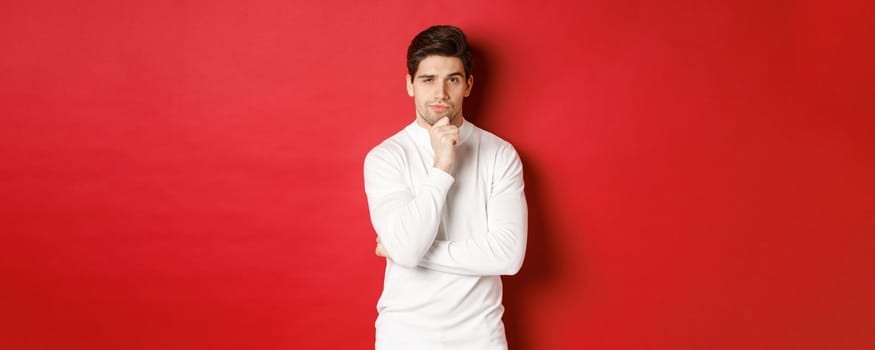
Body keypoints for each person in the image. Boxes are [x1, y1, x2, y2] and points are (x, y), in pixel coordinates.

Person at [363, 25, 528, 350]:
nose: (440, 92)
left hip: (481, 337)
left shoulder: (500, 154)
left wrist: (407, 251)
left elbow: (508, 257)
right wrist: (441, 167)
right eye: (428, 80)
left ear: (468, 85)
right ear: (410, 84)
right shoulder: (386, 157)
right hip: (404, 336)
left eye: (452, 79)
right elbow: (407, 248)